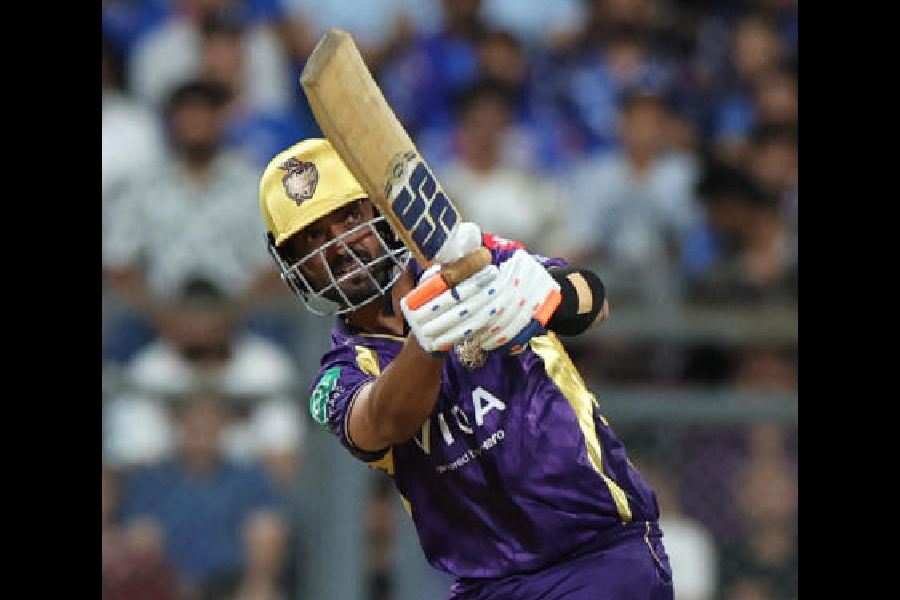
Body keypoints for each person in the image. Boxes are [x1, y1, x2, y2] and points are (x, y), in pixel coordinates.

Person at [257, 138, 674, 599]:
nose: (339, 245)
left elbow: (593, 300)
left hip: (600, 558)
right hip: (486, 586)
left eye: (350, 218)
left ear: (380, 213)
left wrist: (541, 293)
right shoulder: (337, 376)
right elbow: (383, 420)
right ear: (295, 266)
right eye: (313, 237)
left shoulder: (472, 264)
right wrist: (429, 337)